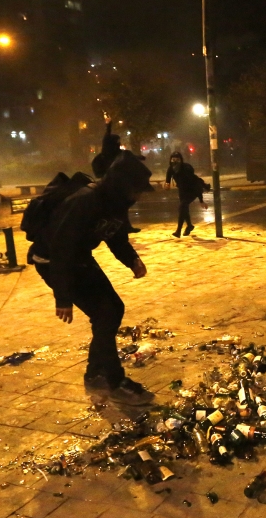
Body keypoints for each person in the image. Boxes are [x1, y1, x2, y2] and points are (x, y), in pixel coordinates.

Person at [29, 152, 156, 406]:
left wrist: (131, 259)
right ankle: (113, 381)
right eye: (137, 190)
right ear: (123, 186)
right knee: (106, 313)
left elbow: (115, 235)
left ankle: (96, 374)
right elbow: (61, 248)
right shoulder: (84, 201)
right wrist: (63, 297)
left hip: (79, 258)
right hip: (54, 261)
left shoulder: (117, 203)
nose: (139, 196)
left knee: (111, 310)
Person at [164, 151, 207, 237]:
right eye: (173, 159)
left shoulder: (186, 168)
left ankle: (178, 231)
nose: (175, 161)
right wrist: (167, 186)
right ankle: (189, 226)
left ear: (181, 160)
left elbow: (196, 183)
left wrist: (201, 200)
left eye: (177, 159)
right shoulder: (170, 169)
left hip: (192, 191)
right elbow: (167, 181)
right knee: (184, 208)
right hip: (182, 191)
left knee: (182, 207)